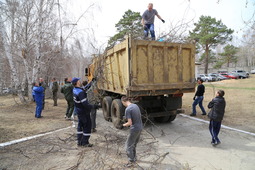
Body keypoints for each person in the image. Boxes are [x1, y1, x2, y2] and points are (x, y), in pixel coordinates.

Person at [72, 77, 94, 147]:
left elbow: (84, 89)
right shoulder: (80, 92)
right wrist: (94, 106)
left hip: (79, 111)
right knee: (87, 126)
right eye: (79, 80)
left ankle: (79, 141)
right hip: (84, 111)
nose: (80, 81)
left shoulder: (75, 90)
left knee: (80, 126)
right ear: (77, 82)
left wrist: (91, 83)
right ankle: (85, 142)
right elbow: (85, 104)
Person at [121, 96, 143, 167]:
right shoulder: (135, 105)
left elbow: (129, 123)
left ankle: (131, 162)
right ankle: (134, 158)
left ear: (123, 102)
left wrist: (124, 124)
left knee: (128, 146)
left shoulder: (128, 109)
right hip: (140, 127)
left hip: (134, 129)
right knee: (134, 144)